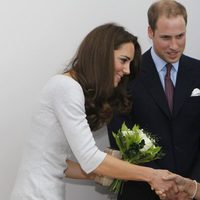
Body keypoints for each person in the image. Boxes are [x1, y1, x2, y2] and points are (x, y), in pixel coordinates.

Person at [10, 23, 177, 200]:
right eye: (123, 60)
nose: (127, 70)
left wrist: (107, 173)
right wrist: (151, 175)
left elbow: (58, 165)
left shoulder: (64, 86)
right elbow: (90, 159)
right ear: (102, 55)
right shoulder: (67, 87)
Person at [108, 1, 200, 200]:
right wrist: (162, 184)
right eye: (166, 37)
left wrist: (191, 186)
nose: (174, 46)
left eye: (180, 36)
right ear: (150, 32)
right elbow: (120, 138)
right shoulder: (126, 75)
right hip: (141, 192)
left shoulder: (198, 71)